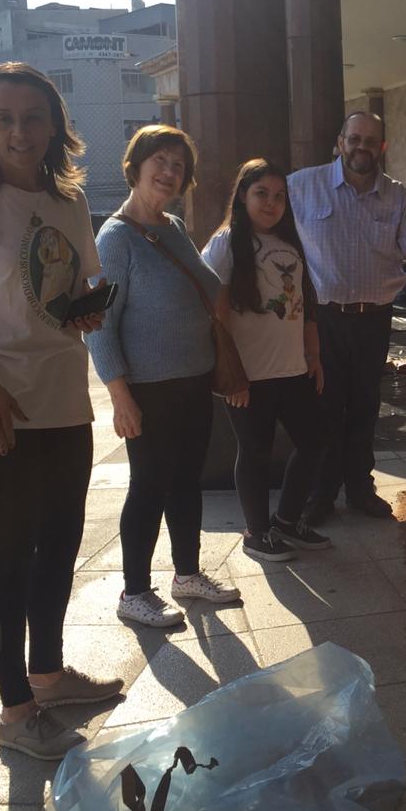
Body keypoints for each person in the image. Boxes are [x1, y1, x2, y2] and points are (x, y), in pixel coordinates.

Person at [0, 62, 123, 761]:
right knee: (8, 560)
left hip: (65, 399)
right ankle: (14, 709)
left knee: (60, 547)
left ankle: (49, 673)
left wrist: (87, 310)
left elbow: (72, 285)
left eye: (33, 117)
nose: (19, 131)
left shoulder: (69, 200)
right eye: (3, 118)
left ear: (54, 124)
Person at [85, 125, 242, 629]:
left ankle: (187, 574)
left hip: (194, 380)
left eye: (178, 165)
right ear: (135, 166)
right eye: (160, 161)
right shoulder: (114, 239)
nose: (169, 172)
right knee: (149, 486)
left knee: (186, 481)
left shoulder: (172, 226)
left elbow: (206, 285)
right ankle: (134, 591)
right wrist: (120, 396)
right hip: (148, 390)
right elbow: (100, 326)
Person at [290, 111, 406, 522]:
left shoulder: (396, 196)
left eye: (370, 140)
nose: (362, 146)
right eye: (354, 138)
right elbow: (261, 220)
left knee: (365, 405)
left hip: (374, 319)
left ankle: (360, 489)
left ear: (382, 147)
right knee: (325, 407)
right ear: (340, 142)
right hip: (323, 319)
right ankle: (321, 495)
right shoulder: (302, 186)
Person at [203, 158, 330, 561]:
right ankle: (257, 532)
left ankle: (287, 521)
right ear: (243, 195)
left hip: (294, 369)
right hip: (250, 375)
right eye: (261, 193)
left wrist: (313, 354)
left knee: (315, 441)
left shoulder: (289, 242)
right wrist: (231, 375)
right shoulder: (227, 242)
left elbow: (305, 304)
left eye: (279, 196)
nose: (271, 203)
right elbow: (216, 313)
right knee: (255, 452)